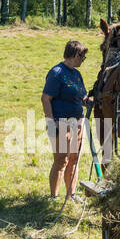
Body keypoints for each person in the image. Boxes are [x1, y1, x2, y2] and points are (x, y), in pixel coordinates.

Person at [41, 39, 93, 202]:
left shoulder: (77, 74)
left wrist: (88, 101)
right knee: (62, 160)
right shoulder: (57, 72)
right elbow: (45, 98)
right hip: (61, 123)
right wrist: (51, 123)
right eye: (82, 56)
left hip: (78, 122)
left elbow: (81, 96)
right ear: (75, 54)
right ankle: (54, 197)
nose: (83, 60)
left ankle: (71, 195)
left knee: (74, 159)